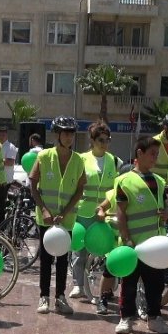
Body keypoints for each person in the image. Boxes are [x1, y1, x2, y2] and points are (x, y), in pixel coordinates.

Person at [114, 136, 168, 334]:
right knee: (129, 283)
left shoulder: (159, 181)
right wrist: (126, 238)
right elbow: (120, 212)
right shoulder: (125, 181)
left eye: (157, 154)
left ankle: (154, 318)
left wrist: (167, 213)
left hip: (155, 244)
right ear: (139, 153)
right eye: (152, 154)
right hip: (134, 244)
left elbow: (164, 206)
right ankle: (126, 318)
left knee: (155, 283)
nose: (155, 158)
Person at [30, 115, 87, 316]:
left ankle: (60, 297)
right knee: (46, 259)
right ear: (57, 134)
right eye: (65, 133)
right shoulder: (44, 156)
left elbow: (80, 189)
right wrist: (44, 210)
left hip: (67, 219)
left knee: (63, 259)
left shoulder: (78, 160)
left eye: (72, 133)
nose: (69, 137)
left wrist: (65, 212)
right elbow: (33, 185)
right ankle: (44, 296)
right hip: (46, 218)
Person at [69, 121, 120, 315]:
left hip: (106, 213)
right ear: (92, 140)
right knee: (80, 250)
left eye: (107, 140)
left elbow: (117, 187)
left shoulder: (114, 160)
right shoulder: (81, 159)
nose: (105, 144)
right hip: (84, 211)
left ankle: (107, 288)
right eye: (101, 140)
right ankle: (78, 284)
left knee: (107, 250)